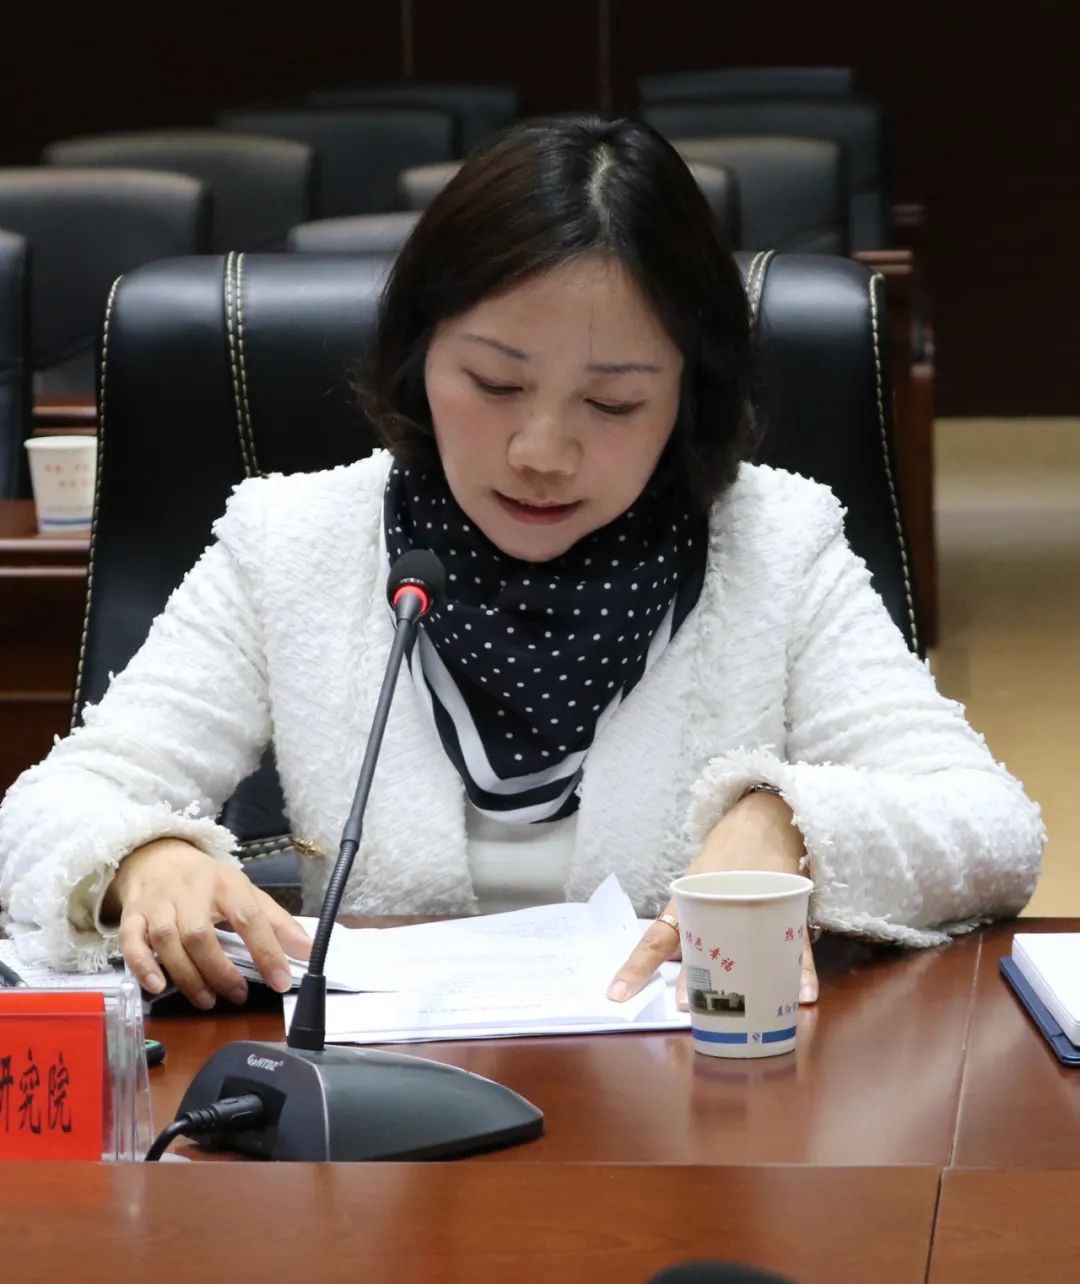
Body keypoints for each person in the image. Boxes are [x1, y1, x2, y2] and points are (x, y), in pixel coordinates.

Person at [0, 116, 1044, 1014]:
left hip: (699, 1116)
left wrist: (793, 827)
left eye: (614, 402)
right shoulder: (293, 541)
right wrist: (141, 857)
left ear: (690, 396)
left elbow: (992, 827)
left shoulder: (774, 542)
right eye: (495, 385)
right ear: (420, 355)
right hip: (371, 1134)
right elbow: (50, 809)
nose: (542, 452)